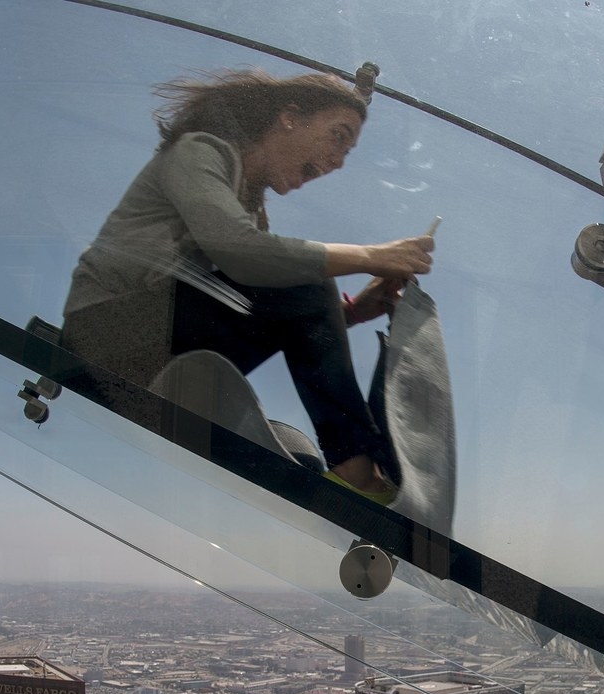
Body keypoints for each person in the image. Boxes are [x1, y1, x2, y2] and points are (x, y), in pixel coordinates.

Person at [61, 69, 435, 501]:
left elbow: (267, 312)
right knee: (301, 274)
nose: (338, 162)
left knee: (299, 278)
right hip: (102, 341)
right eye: (337, 136)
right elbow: (242, 252)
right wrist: (371, 257)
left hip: (156, 346)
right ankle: (358, 473)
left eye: (347, 151)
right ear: (290, 117)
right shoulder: (197, 152)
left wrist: (352, 313)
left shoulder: (250, 204)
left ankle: (364, 467)